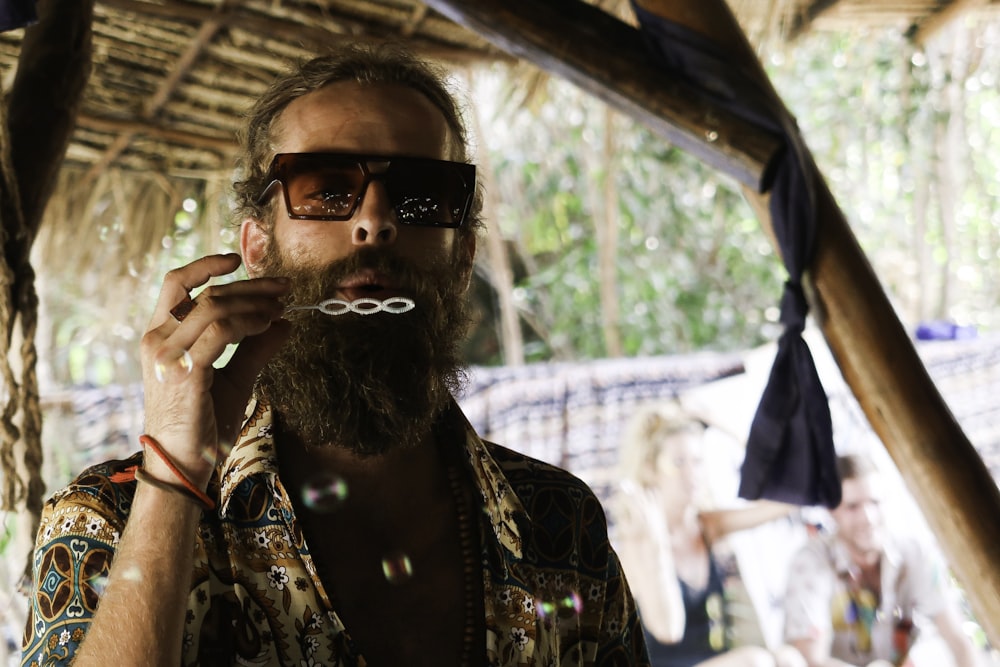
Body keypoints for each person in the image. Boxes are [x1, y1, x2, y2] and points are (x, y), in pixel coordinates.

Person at [21, 44, 649, 667]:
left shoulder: (562, 528)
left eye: (422, 193)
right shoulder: (108, 522)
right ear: (257, 248)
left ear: (462, 259)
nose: (374, 221)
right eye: (325, 188)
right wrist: (174, 481)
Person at [612, 402, 805, 667]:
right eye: (678, 463)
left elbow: (789, 498)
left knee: (789, 658)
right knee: (756, 661)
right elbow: (668, 630)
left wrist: (725, 426)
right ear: (650, 469)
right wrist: (657, 543)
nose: (692, 474)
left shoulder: (708, 526)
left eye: (698, 461)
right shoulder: (638, 543)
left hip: (717, 661)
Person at [783, 453, 984, 667]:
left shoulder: (915, 553)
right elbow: (812, 660)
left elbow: (959, 642)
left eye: (875, 502)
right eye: (852, 507)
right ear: (831, 510)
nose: (868, 517)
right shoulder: (810, 560)